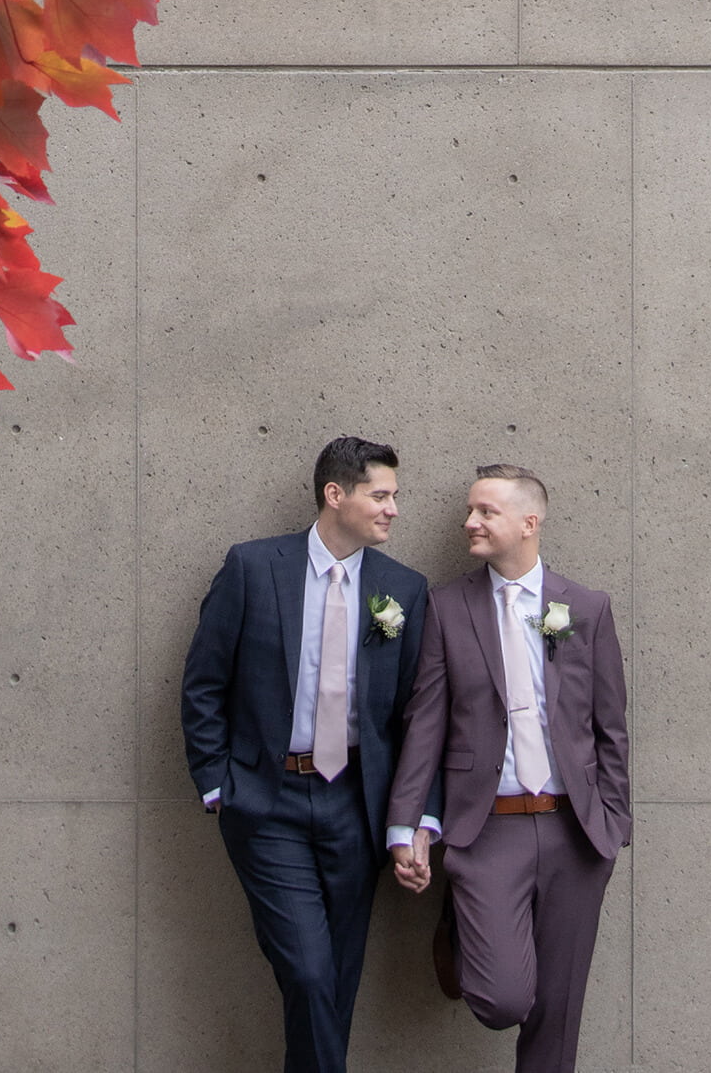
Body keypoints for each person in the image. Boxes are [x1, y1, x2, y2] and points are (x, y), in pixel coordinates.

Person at [180, 436, 435, 1073]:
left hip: (358, 804)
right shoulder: (252, 567)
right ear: (335, 494)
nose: (394, 510)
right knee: (311, 973)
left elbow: (417, 718)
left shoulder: (403, 589)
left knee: (338, 981)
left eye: (394, 496)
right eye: (381, 495)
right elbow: (204, 682)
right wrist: (220, 787)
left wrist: (413, 819)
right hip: (268, 804)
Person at [385, 464, 631, 1073]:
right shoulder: (447, 606)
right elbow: (425, 724)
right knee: (503, 998)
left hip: (577, 832)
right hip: (487, 829)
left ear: (529, 522)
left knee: (558, 1011)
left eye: (485, 512)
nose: (470, 522)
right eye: (470, 511)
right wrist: (406, 822)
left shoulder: (586, 607)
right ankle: (466, 919)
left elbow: (611, 726)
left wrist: (614, 823)